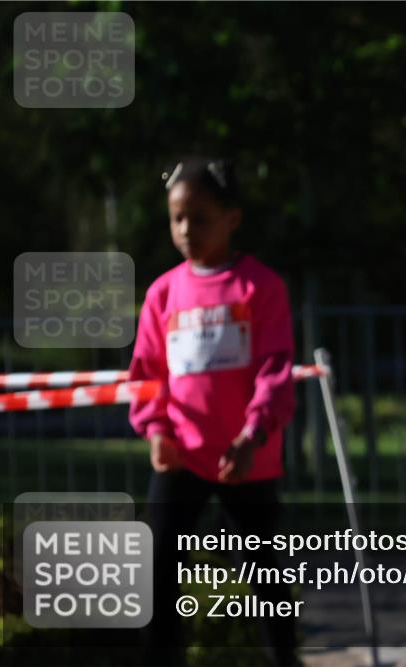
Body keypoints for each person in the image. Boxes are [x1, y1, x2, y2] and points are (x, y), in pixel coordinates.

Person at [129, 156, 298, 666]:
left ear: (232, 219)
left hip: (246, 458)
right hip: (181, 456)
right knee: (157, 570)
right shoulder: (163, 293)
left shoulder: (259, 287)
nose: (186, 230)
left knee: (266, 573)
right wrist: (155, 430)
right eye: (177, 218)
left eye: (199, 218)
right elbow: (147, 374)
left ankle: (284, 659)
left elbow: (275, 368)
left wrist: (253, 435)